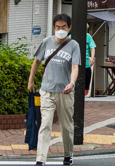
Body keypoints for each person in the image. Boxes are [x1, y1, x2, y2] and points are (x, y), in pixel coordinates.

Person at [28, 13, 80, 166]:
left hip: (65, 91)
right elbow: (36, 61)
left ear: (69, 28)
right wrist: (31, 80)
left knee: (66, 125)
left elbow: (75, 66)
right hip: (47, 90)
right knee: (45, 124)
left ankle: (68, 154)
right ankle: (40, 158)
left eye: (64, 27)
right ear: (54, 27)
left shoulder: (74, 45)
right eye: (57, 27)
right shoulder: (47, 42)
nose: (60, 29)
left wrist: (72, 83)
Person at [83, 30, 96, 97]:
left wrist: (92, 57)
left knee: (86, 83)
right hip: (74, 64)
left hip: (86, 64)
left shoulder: (88, 36)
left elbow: (92, 47)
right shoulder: (71, 36)